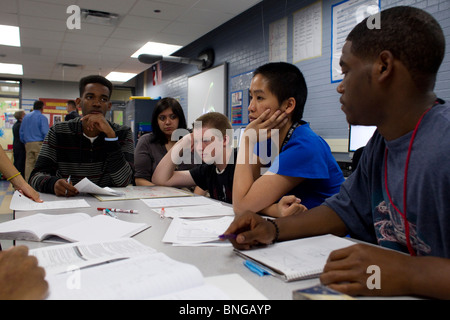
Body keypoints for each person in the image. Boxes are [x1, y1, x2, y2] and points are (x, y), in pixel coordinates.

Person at [224, 6, 450, 299]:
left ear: (383, 66)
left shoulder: (443, 144)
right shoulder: (380, 145)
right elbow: (343, 210)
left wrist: (409, 273)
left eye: (346, 71)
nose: (340, 87)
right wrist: (273, 229)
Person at [233, 62, 344, 217]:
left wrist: (246, 140)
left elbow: (241, 206)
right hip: (301, 231)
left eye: (259, 97)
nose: (250, 107)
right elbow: (244, 197)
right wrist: (275, 210)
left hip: (334, 238)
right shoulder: (267, 139)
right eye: (251, 97)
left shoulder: (305, 146)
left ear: (288, 105)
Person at [29, 75, 135, 197]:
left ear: (109, 106)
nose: (96, 103)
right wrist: (53, 184)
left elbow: (125, 181)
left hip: (108, 204)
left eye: (103, 99)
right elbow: (35, 177)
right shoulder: (58, 131)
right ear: (79, 102)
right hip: (68, 203)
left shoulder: (122, 133)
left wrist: (111, 137)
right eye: (90, 97)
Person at [153, 112, 235, 204]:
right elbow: (160, 179)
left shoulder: (242, 162)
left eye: (206, 140)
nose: (199, 147)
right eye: (196, 141)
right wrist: (184, 142)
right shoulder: (209, 169)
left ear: (224, 140)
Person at [134, 98, 196, 186]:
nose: (167, 122)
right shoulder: (146, 142)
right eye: (162, 118)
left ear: (180, 118)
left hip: (193, 196)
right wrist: (168, 195)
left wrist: (195, 197)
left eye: (173, 117)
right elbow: (140, 179)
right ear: (157, 121)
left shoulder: (192, 138)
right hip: (159, 195)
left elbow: (206, 175)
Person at [19, 100, 49, 182]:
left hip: (28, 144)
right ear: (42, 107)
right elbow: (45, 132)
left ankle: (28, 183)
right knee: (40, 165)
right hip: (39, 144)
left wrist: (25, 142)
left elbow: (21, 132)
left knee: (29, 164)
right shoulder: (42, 117)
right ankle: (38, 183)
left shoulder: (26, 117)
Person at [12, 110, 26, 175]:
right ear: (21, 116)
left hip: (16, 145)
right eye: (24, 114)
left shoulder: (15, 125)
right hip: (20, 146)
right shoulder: (20, 125)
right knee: (20, 164)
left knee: (17, 162)